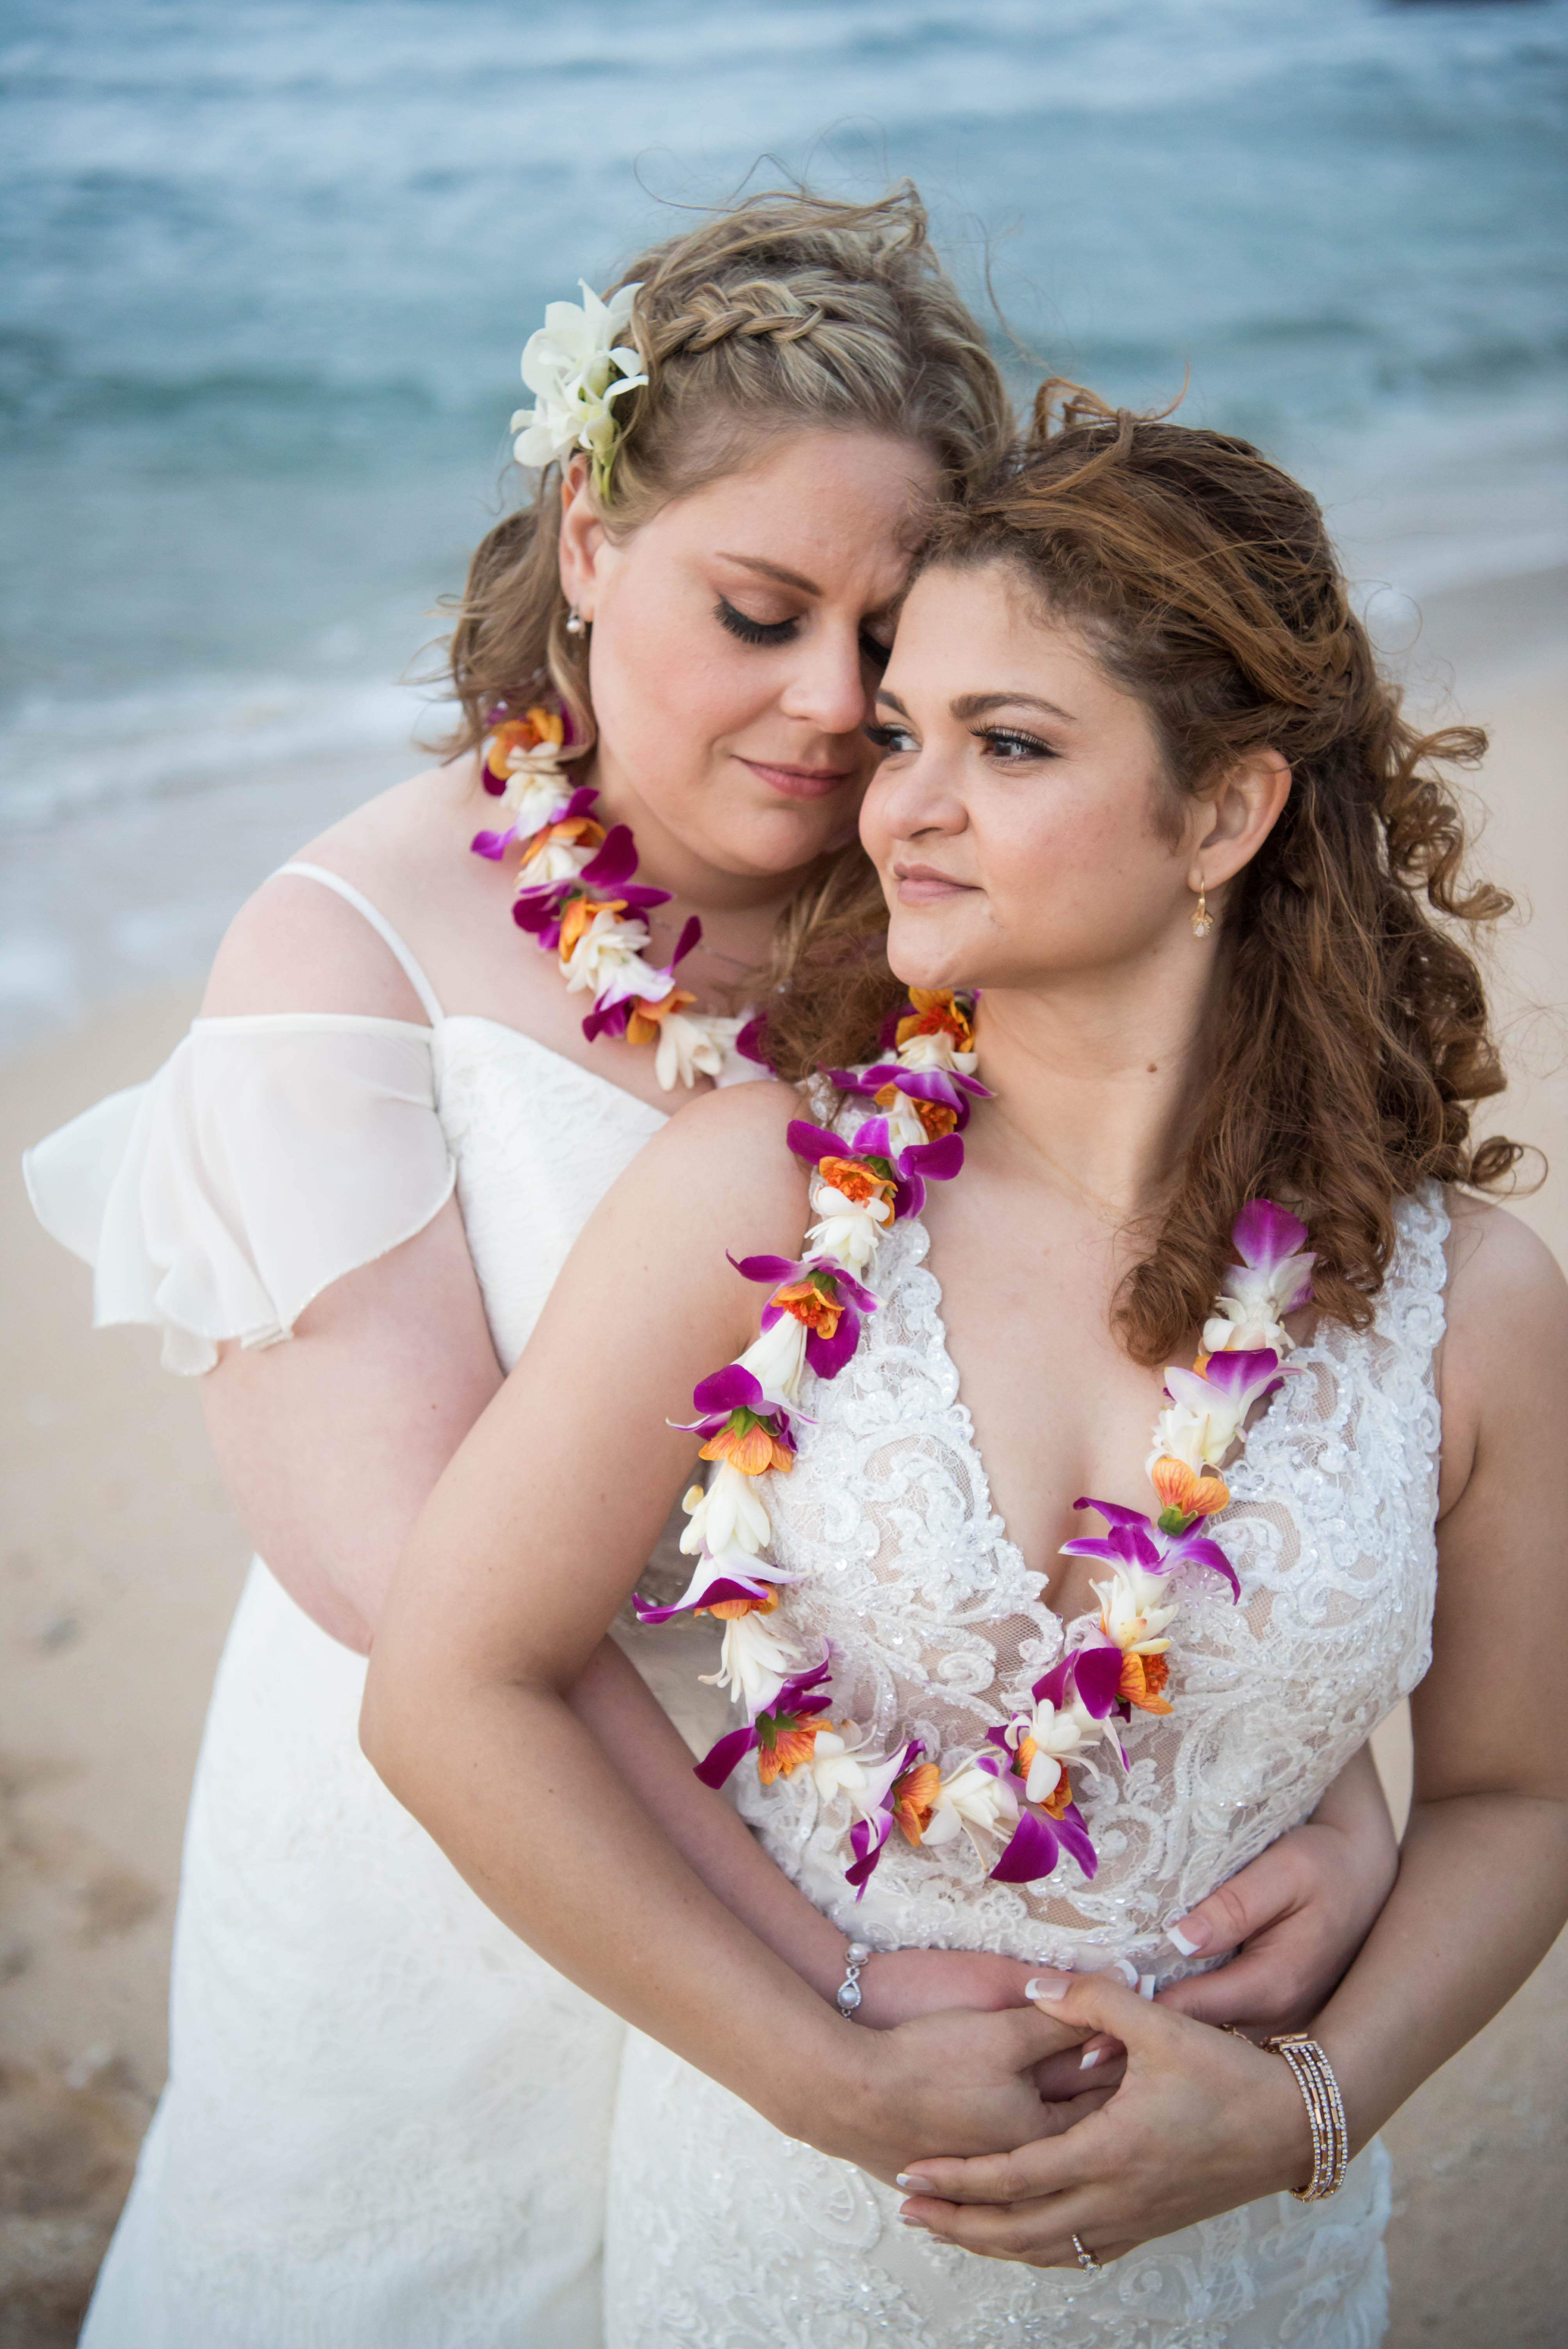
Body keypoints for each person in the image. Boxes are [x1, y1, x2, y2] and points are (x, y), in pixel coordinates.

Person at [27, 182, 1394, 2343]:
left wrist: (1321, 1782)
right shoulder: (344, 962)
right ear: (589, 540)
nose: (835, 708)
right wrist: (835, 1999)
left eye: (889, 637)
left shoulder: (954, 900)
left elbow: (1162, 1365)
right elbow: (437, 1623)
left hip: (922, 1859)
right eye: (757, 613)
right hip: (499, 1895)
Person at [363, 386, 1568, 2347]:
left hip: (1243, 2274)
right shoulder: (759, 1194)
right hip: (790, 2245)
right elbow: (446, 1687)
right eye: (902, 732)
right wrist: (821, 2069)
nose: (898, 803)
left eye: (1004, 744)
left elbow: (1518, 1793)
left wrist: (1304, 2110)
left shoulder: (1463, 1299)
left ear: (1223, 812)